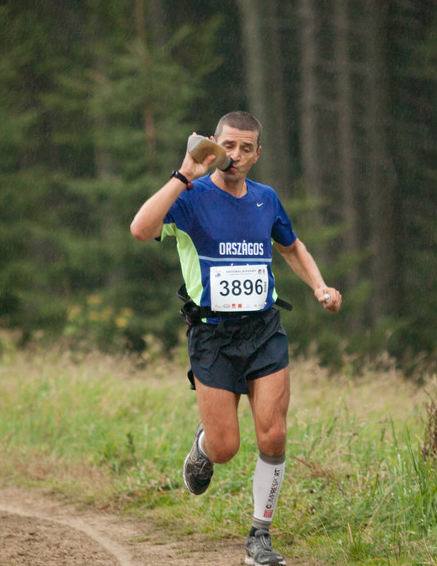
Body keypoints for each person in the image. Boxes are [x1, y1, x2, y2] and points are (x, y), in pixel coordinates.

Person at [130, 111, 342, 566]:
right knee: (227, 447)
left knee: (274, 434)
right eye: (228, 145)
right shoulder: (191, 196)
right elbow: (141, 229)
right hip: (212, 337)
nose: (237, 155)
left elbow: (291, 246)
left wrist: (319, 286)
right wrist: (185, 173)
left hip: (263, 330)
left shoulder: (266, 200)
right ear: (213, 144)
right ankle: (204, 447)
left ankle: (259, 536)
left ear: (258, 153)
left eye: (247, 148)